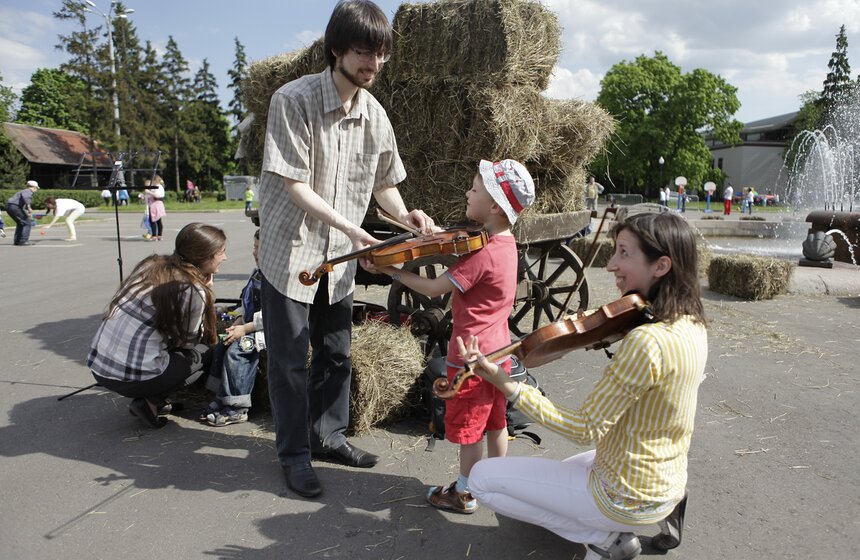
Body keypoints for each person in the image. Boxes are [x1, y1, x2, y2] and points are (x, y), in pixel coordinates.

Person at [257, 0, 434, 499]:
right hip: (291, 252)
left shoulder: (374, 113)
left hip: (339, 258)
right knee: (290, 361)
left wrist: (406, 216)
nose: (373, 64)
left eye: (380, 55)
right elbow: (295, 184)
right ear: (336, 49)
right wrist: (354, 230)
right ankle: (294, 455)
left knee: (335, 352)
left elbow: (384, 184)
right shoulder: (292, 100)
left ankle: (328, 436)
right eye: (363, 52)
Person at [459, 211, 707, 560]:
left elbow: (584, 428)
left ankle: (605, 539)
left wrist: (507, 383)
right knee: (566, 469)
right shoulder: (691, 323)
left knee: (482, 479)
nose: (611, 265)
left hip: (626, 494)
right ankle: (665, 510)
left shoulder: (647, 341)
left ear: (661, 266)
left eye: (624, 253)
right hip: (665, 478)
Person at [363, 159, 535, 514]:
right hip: (498, 355)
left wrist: (391, 270)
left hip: (469, 357)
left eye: (474, 189)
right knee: (496, 423)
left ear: (494, 206)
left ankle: (464, 492)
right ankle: (496, 484)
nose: (468, 193)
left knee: (470, 431)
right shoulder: (506, 244)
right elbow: (462, 244)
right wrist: (436, 234)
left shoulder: (482, 255)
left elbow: (432, 287)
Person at [87, 223, 227, 429]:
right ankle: (151, 402)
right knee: (206, 351)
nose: (225, 257)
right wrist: (205, 293)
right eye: (221, 252)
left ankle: (152, 396)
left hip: (99, 367)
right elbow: (188, 342)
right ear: (205, 256)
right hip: (133, 377)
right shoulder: (193, 290)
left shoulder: (151, 265)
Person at [201, 230, 265, 427]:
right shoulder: (256, 274)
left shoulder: (277, 281)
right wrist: (238, 320)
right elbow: (246, 303)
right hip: (248, 327)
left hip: (268, 332)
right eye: (254, 247)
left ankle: (238, 406)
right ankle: (221, 396)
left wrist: (245, 329)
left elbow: (274, 316)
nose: (255, 252)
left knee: (239, 350)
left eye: (259, 248)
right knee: (222, 345)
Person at [5, 180, 40, 246]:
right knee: (27, 222)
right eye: (36, 188)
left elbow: (22, 205)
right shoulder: (28, 191)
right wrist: (29, 207)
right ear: (34, 187)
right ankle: (24, 241)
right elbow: (26, 198)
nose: (36, 190)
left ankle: (17, 241)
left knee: (21, 223)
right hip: (15, 207)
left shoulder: (23, 191)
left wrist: (27, 212)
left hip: (10, 207)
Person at [144, 175, 167, 241]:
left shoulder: (158, 187)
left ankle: (156, 235)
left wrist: (149, 192)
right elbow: (150, 195)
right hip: (153, 205)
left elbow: (157, 195)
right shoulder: (154, 187)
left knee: (155, 220)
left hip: (156, 204)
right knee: (155, 220)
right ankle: (157, 235)